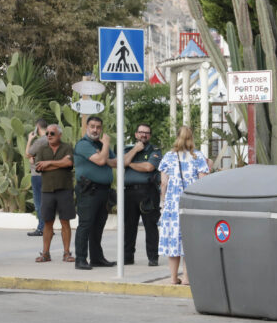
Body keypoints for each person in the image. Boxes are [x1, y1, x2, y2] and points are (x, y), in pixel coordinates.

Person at [158, 126, 209, 285]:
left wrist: (164, 202)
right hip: (191, 204)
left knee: (174, 240)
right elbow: (203, 182)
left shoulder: (169, 156)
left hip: (173, 205)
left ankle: (173, 278)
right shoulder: (198, 157)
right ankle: (187, 278)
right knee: (188, 239)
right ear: (191, 138)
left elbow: (163, 183)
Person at [73, 116, 117, 270]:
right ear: (87, 127)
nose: (95, 130)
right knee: (85, 225)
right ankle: (80, 259)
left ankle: (97, 258)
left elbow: (115, 162)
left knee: (98, 226)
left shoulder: (100, 145)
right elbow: (100, 161)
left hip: (104, 191)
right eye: (92, 126)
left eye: (98, 127)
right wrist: (105, 147)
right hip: (89, 190)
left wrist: (103, 154)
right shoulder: (83, 145)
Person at [33, 124, 75, 263]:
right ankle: (45, 253)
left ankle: (67, 253)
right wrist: (59, 163)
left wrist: (49, 163)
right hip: (47, 190)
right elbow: (39, 167)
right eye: (48, 134)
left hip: (65, 189)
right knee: (47, 222)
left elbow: (68, 163)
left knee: (65, 222)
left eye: (52, 133)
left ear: (59, 135)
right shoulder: (42, 149)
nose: (49, 135)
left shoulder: (67, 147)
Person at [122, 124, 162, 266]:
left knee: (150, 226)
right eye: (141, 132)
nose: (143, 135)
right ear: (136, 134)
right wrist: (135, 150)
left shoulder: (155, 150)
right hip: (129, 192)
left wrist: (129, 163)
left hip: (148, 192)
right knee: (128, 227)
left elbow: (148, 167)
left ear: (150, 135)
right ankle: (127, 257)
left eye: (147, 133)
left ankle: (153, 257)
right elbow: (121, 162)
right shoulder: (127, 149)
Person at [25, 119, 48, 236]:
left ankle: (41, 228)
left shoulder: (40, 141)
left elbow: (27, 153)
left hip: (37, 176)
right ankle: (48, 229)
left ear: (37, 128)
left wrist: (30, 139)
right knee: (47, 202)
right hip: (49, 175)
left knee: (39, 203)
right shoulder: (52, 140)